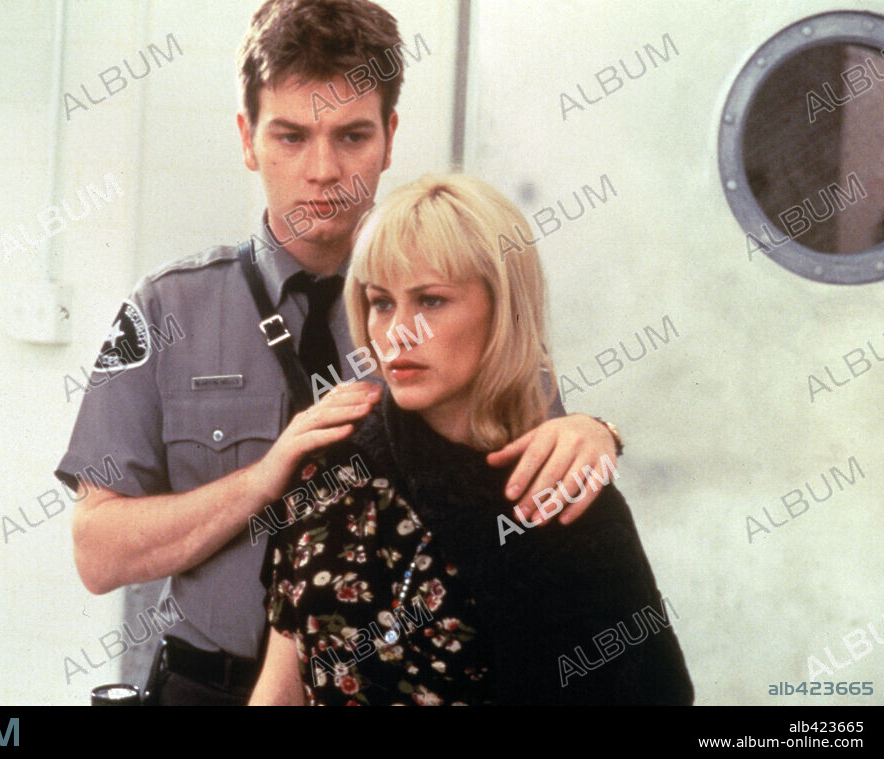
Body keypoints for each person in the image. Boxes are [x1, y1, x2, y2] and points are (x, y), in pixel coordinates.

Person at [56, 0, 623, 706]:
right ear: (248, 139)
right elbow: (98, 552)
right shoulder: (167, 310)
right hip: (206, 686)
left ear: (389, 138)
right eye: (291, 136)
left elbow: (540, 480)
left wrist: (593, 431)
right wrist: (263, 480)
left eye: (352, 136)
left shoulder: (461, 306)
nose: (323, 169)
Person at [250, 174, 693, 706]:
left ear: (502, 306)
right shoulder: (332, 464)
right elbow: (280, 686)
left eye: (431, 301)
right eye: (381, 303)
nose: (399, 332)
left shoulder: (560, 492)